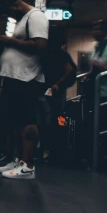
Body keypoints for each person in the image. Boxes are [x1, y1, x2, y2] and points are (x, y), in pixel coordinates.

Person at [0, 0, 49, 179]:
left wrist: (11, 41)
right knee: (16, 121)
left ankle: (28, 166)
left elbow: (40, 45)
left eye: (9, 13)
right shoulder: (24, 19)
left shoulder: (36, 17)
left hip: (27, 79)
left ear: (14, 6)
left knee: (28, 121)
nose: (10, 17)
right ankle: (18, 161)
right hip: (15, 78)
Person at [39, 27, 76, 161]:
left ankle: (46, 148)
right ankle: (52, 150)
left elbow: (69, 70)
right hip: (55, 91)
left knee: (46, 119)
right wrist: (58, 84)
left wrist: (56, 84)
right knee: (55, 119)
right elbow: (70, 70)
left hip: (47, 89)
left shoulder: (46, 53)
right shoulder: (61, 54)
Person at [88, 19, 107, 163]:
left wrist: (104, 68)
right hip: (100, 92)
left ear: (106, 31)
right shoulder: (100, 46)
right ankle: (99, 155)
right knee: (99, 125)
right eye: (93, 29)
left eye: (98, 29)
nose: (94, 32)